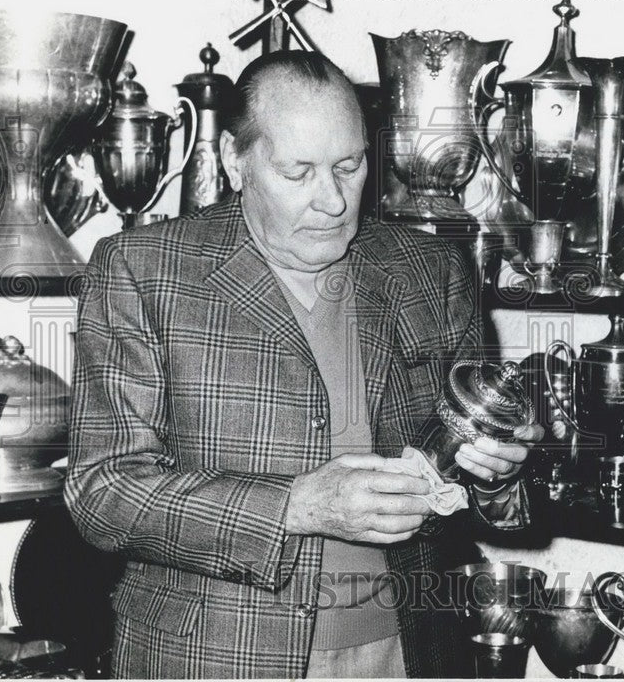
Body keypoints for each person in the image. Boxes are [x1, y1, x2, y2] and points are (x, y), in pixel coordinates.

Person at [65, 50, 543, 679]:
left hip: (405, 649)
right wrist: (297, 507)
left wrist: (499, 471)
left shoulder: (432, 270)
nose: (335, 201)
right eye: (299, 173)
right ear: (238, 163)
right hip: (214, 658)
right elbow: (104, 491)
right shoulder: (142, 270)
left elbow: (483, 487)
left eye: (349, 166)